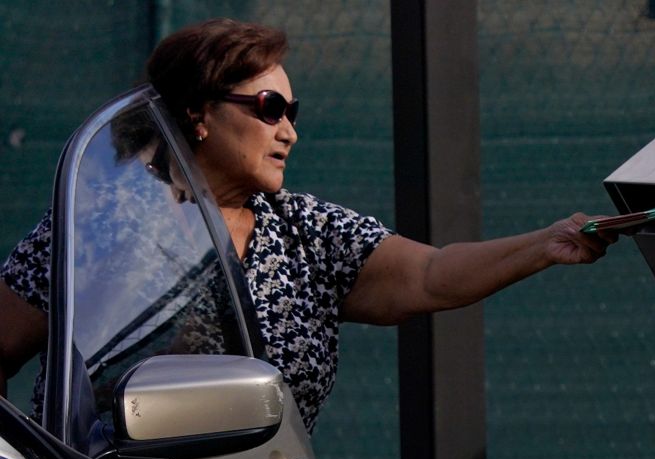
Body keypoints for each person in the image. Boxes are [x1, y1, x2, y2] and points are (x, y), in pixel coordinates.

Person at [0, 18, 614, 433]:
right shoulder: (100, 225)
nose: (288, 130)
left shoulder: (305, 231)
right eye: (269, 109)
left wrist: (547, 244)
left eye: (291, 112)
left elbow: (430, 274)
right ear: (198, 115)